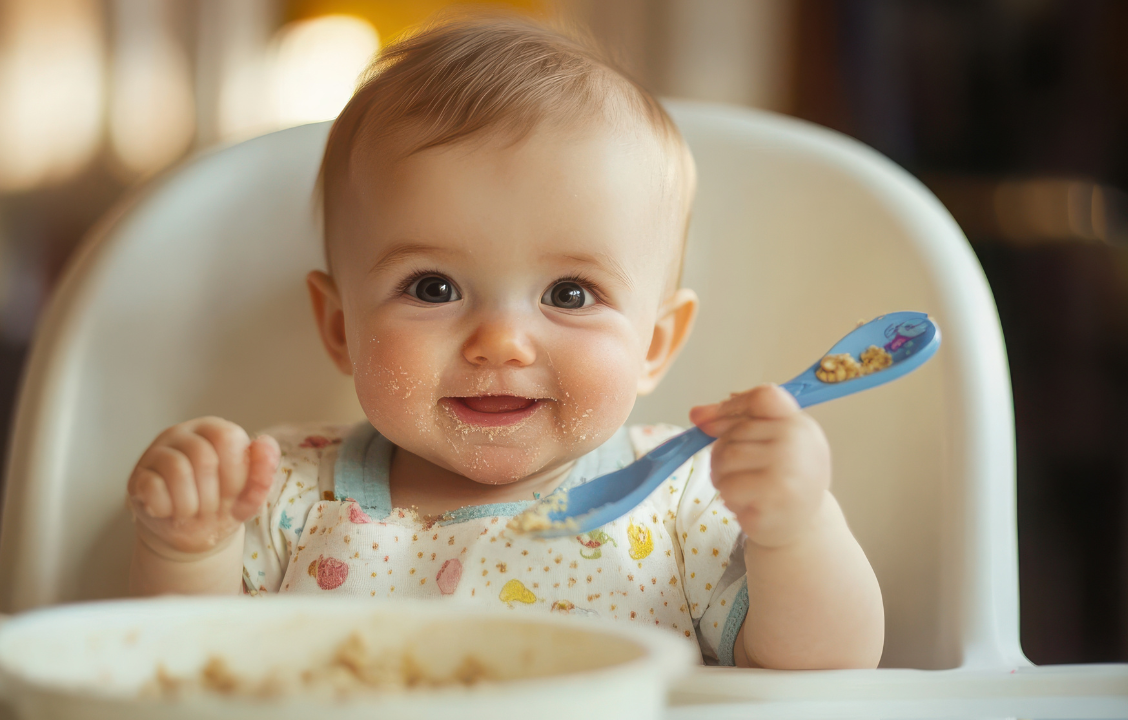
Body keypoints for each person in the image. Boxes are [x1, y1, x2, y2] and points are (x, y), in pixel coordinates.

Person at [125, 13, 883, 669]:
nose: (501, 342)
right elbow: (183, 661)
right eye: (433, 288)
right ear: (339, 327)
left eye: (569, 294)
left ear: (654, 343)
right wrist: (190, 548)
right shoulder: (282, 492)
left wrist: (796, 526)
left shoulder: (684, 496)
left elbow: (825, 665)